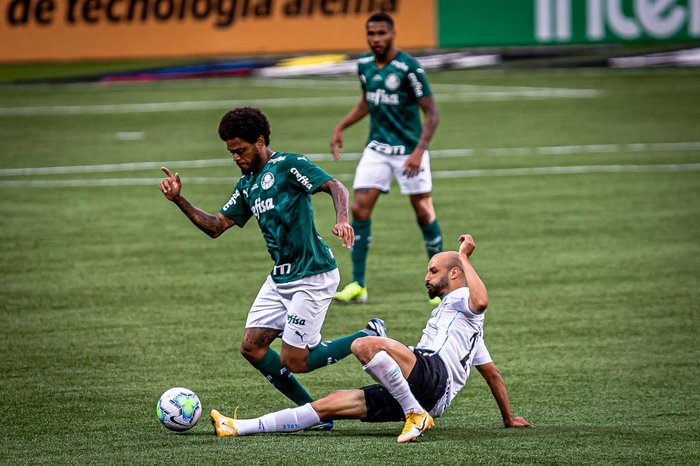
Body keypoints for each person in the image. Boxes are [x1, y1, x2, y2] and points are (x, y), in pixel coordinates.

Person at [159, 107, 387, 429]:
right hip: (281, 278)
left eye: (240, 150)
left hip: (312, 275)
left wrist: (342, 220)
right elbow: (215, 226)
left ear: (260, 141)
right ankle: (314, 413)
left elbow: (336, 186)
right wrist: (179, 200)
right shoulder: (247, 184)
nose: (235, 157)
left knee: (295, 361)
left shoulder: (288, 165)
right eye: (231, 152)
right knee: (252, 348)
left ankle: (366, 335)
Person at [210, 234, 532, 443]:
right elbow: (491, 373)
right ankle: (238, 427)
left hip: (434, 376)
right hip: (429, 393)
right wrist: (508, 418)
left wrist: (463, 256)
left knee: (364, 344)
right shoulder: (464, 328)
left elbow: (481, 301)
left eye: (433, 271)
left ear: (454, 274)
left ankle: (414, 414)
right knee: (328, 404)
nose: (426, 277)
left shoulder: (466, 303)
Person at [331, 12, 442, 305]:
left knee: (423, 212)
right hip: (377, 149)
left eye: (381, 33)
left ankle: (440, 285)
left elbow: (432, 114)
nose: (376, 39)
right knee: (359, 209)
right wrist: (342, 126)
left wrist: (419, 151)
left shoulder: (409, 68)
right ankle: (358, 285)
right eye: (371, 34)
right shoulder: (365, 65)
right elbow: (368, 101)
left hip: (409, 152)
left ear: (393, 34)